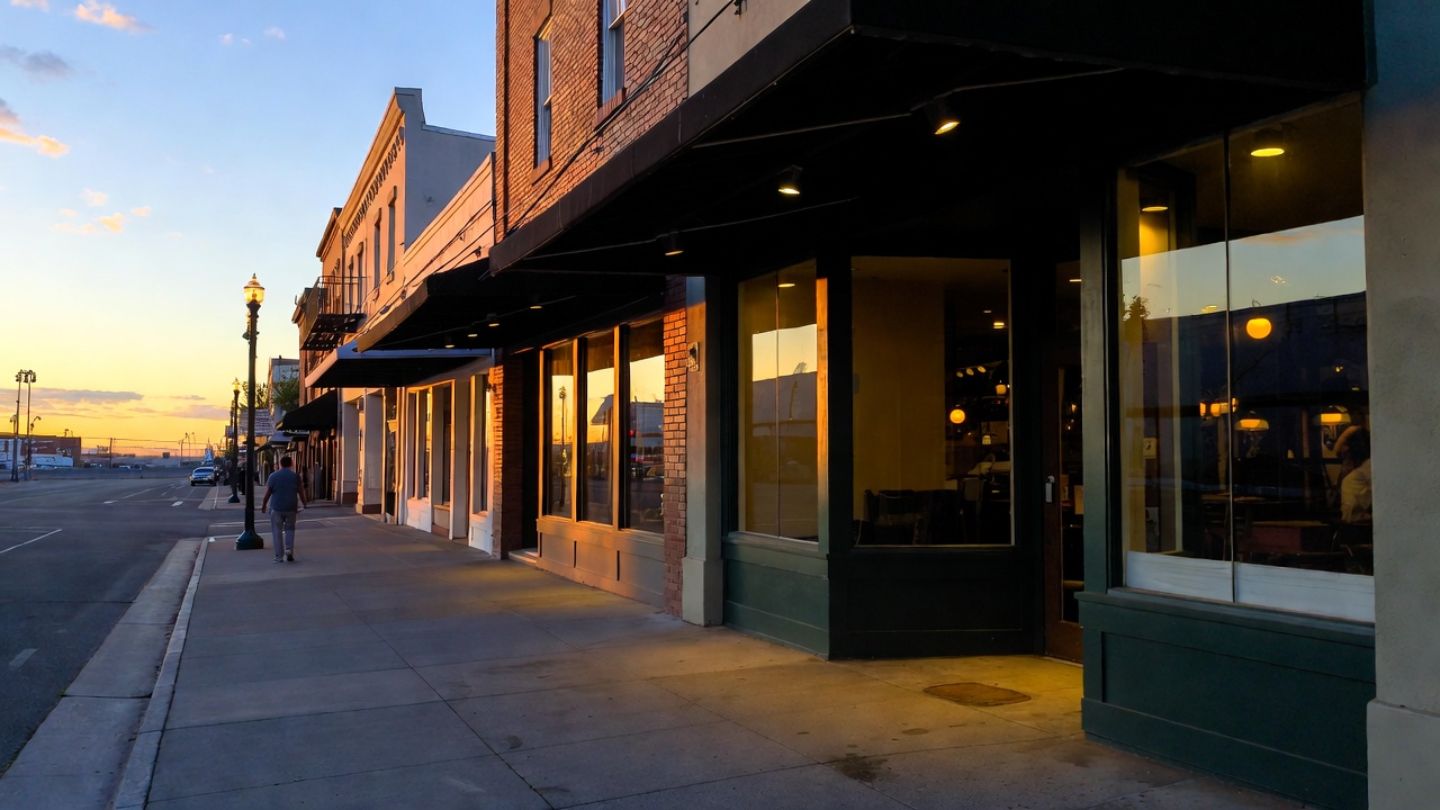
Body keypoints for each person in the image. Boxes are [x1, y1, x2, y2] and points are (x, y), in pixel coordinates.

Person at [261, 455, 306, 563]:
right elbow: (301, 491)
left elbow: (268, 493)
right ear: (291, 464)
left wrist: (264, 505)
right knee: (290, 529)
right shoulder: (295, 476)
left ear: (280, 464)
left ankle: (279, 556)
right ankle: (289, 550)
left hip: (276, 507)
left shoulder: (273, 476)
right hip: (291, 507)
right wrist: (304, 503)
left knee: (277, 532)